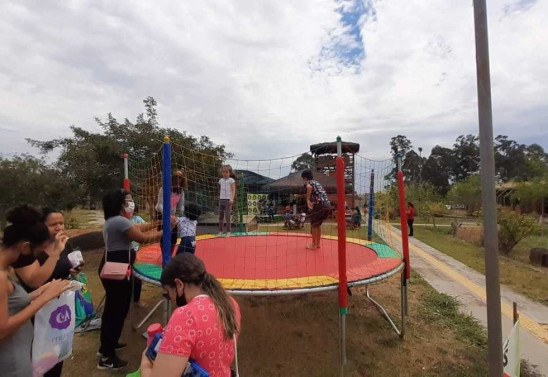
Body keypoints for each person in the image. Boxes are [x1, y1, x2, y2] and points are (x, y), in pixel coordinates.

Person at [98, 189, 170, 370]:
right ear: (119, 203)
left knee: (113, 309)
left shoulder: (114, 221)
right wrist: (165, 231)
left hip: (114, 266)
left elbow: (138, 229)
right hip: (117, 268)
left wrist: (159, 222)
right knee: (117, 310)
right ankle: (107, 357)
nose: (130, 203)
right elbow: (143, 238)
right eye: (127, 200)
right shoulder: (120, 221)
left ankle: (107, 345)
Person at [139, 253, 241, 377]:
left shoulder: (186, 316)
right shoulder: (230, 303)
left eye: (168, 293)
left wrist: (145, 361)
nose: (171, 299)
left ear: (179, 285)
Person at [0, 205, 71, 377]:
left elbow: (10, 304)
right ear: (25, 247)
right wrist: (44, 298)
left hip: (22, 351)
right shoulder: (1, 277)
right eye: (37, 252)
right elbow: (2, 329)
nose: (35, 257)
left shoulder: (5, 270)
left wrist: (37, 293)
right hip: (12, 363)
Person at [156, 170, 187, 252]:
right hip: (161, 213)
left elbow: (181, 205)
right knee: (164, 236)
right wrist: (167, 216)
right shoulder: (164, 188)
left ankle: (169, 254)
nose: (178, 179)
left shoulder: (181, 191)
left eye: (180, 177)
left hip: (173, 216)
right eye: (176, 177)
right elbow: (159, 205)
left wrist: (181, 216)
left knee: (174, 236)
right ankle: (164, 255)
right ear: (172, 178)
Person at [302, 169, 332, 250]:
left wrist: (308, 200)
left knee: (314, 225)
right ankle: (317, 244)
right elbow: (318, 195)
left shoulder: (308, 182)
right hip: (327, 205)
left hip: (320, 205)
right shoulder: (317, 182)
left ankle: (314, 245)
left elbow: (309, 187)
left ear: (305, 178)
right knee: (317, 225)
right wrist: (313, 202)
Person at [130, 204, 147, 308]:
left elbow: (146, 226)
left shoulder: (137, 219)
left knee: (137, 277)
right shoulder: (122, 221)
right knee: (127, 277)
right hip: (126, 252)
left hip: (136, 251)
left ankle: (136, 299)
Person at [218, 164, 236, 237]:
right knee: (220, 216)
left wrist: (232, 198)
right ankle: (220, 231)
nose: (225, 173)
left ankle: (228, 231)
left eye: (226, 172)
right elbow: (221, 189)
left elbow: (233, 190)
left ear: (230, 173)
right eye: (223, 172)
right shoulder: (220, 180)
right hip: (221, 199)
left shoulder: (231, 180)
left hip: (228, 200)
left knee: (227, 216)